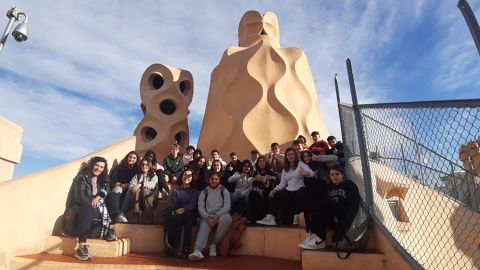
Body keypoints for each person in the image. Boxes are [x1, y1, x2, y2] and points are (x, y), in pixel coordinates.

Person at [299, 164, 360, 250]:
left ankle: (320, 240)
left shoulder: (349, 184)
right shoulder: (329, 187)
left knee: (324, 206)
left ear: (342, 175)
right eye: (332, 174)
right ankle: (313, 234)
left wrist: (344, 223)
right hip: (331, 217)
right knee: (311, 203)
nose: (334, 177)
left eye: (337, 174)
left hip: (342, 217)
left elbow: (353, 204)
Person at [64, 156, 113, 261]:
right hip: (78, 208)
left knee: (108, 201)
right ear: (92, 165)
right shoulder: (82, 177)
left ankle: (109, 228)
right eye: (96, 165)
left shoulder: (102, 180)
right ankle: (81, 247)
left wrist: (98, 196)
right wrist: (92, 203)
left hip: (91, 208)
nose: (98, 168)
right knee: (87, 207)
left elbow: (107, 190)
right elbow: (79, 197)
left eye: (101, 167)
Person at [258, 147, 314, 226]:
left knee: (300, 194)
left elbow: (312, 173)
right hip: (289, 190)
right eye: (288, 155)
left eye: (292, 154)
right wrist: (275, 190)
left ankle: (297, 216)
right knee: (275, 194)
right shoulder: (285, 168)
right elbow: (282, 184)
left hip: (300, 188)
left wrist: (306, 173)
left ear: (295, 155)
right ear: (286, 157)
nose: (290, 156)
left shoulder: (301, 164)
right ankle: (271, 217)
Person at [188, 173, 232, 261]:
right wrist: (207, 218)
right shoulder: (204, 192)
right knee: (204, 226)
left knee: (227, 219)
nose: (214, 181)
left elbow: (227, 206)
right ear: (209, 180)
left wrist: (217, 216)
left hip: (221, 215)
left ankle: (213, 243)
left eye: (216, 179)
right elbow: (200, 208)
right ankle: (197, 251)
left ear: (219, 180)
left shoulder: (224, 190)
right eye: (212, 179)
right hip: (207, 216)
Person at [167, 169, 200, 257]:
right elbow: (174, 203)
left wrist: (184, 209)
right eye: (185, 175)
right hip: (178, 212)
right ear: (181, 177)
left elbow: (193, 203)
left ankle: (186, 248)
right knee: (176, 218)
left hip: (189, 212)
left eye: (189, 175)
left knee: (188, 218)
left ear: (192, 178)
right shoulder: (176, 190)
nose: (187, 177)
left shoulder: (194, 191)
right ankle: (173, 247)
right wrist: (172, 197)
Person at [299, 150, 328, 247]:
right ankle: (311, 233)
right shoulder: (303, 167)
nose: (307, 158)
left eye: (308, 156)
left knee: (314, 208)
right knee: (306, 208)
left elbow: (323, 180)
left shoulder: (318, 164)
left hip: (321, 191)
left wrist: (317, 158)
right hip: (311, 193)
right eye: (304, 156)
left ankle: (318, 237)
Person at [119, 157, 158, 223]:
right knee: (135, 190)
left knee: (145, 190)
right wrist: (134, 188)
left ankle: (149, 216)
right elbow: (131, 185)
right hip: (137, 198)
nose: (144, 166)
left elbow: (152, 184)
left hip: (150, 199)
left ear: (149, 166)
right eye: (142, 164)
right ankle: (135, 214)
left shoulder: (153, 176)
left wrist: (141, 184)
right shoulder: (137, 176)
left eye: (146, 165)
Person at [105, 151, 139, 223]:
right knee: (117, 190)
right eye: (130, 157)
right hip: (119, 187)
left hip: (130, 189)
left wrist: (127, 185)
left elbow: (138, 180)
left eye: (134, 158)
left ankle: (121, 213)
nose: (131, 159)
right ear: (127, 157)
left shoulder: (137, 170)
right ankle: (115, 214)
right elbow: (112, 180)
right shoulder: (119, 168)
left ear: (136, 160)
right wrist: (121, 185)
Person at [250, 156, 278, 223]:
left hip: (269, 191)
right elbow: (253, 185)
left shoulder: (271, 173)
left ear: (266, 163)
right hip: (259, 191)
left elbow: (273, 185)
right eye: (259, 161)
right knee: (252, 194)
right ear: (257, 163)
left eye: (263, 161)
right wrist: (258, 190)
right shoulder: (255, 173)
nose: (261, 163)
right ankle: (255, 218)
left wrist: (264, 180)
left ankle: (269, 217)